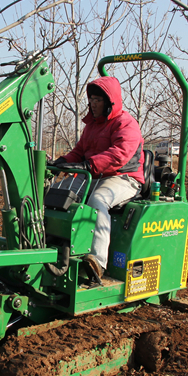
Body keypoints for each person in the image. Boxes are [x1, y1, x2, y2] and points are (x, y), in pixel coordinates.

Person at [52, 76, 145, 284]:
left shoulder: (126, 124)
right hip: (94, 175)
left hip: (123, 178)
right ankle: (55, 246)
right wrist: (63, 161)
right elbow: (79, 151)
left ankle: (97, 261)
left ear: (110, 102)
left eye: (98, 100)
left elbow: (119, 154)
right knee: (58, 193)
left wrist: (88, 165)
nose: (93, 104)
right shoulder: (92, 126)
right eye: (91, 100)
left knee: (97, 200)